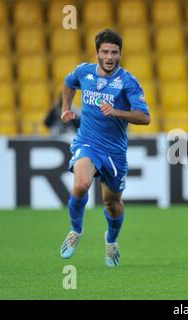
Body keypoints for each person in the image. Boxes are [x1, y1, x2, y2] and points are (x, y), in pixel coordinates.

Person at [59, 29, 151, 267]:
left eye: (115, 52)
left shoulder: (127, 82)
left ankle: (111, 241)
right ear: (97, 53)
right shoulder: (84, 72)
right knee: (80, 185)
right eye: (105, 52)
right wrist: (66, 107)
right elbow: (68, 84)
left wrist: (117, 112)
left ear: (120, 54)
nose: (110, 57)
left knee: (111, 202)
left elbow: (144, 117)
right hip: (87, 142)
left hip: (114, 152)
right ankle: (75, 231)